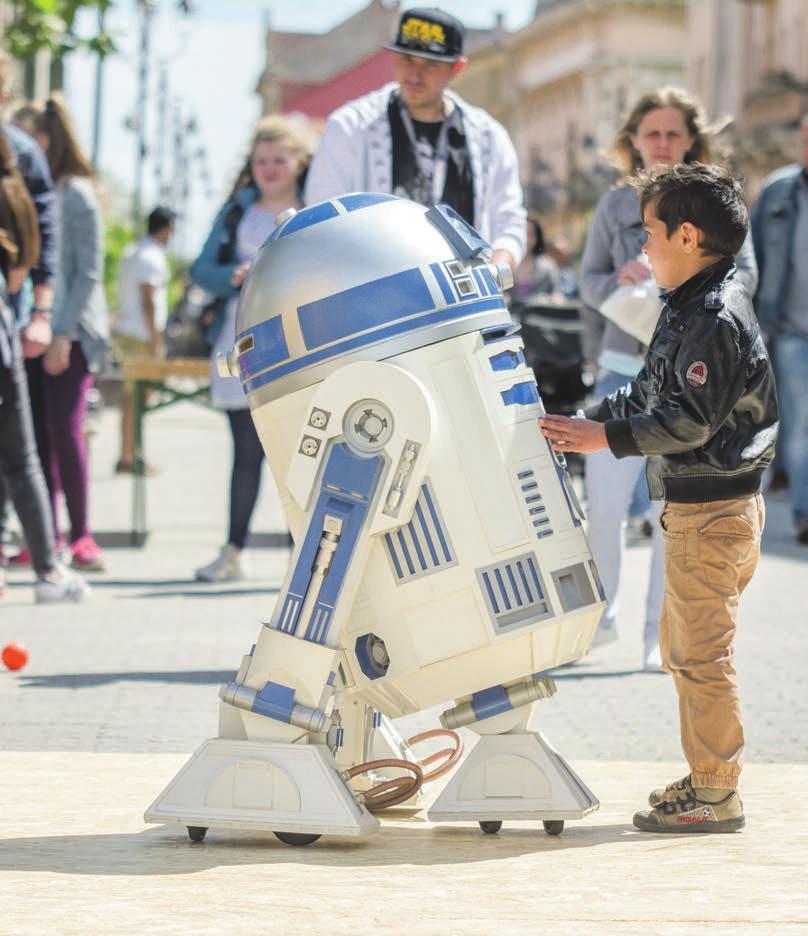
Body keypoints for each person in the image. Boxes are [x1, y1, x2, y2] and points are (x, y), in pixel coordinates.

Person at [540, 163, 777, 833]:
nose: (642, 247)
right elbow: (651, 394)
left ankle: (717, 791)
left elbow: (690, 420)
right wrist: (582, 421)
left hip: (714, 511)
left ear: (689, 235)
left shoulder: (713, 315)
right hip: (697, 509)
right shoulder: (688, 303)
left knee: (701, 656)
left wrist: (603, 437)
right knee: (685, 650)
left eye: (650, 232)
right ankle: (708, 773)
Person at [579, 87, 758, 671]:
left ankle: (661, 636)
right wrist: (622, 282)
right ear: (632, 139)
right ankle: (599, 619)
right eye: (651, 133)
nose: (661, 143)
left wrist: (682, 284)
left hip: (689, 378)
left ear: (692, 139)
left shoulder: (716, 202)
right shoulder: (612, 207)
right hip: (619, 366)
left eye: (672, 134)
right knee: (602, 506)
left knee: (671, 516)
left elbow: (744, 275)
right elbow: (589, 281)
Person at [304, 6, 526, 270]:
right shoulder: (351, 126)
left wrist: (499, 266)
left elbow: (509, 220)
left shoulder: (489, 137)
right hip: (377, 294)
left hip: (466, 298)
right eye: (407, 59)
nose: (414, 75)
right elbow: (321, 216)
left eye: (431, 65)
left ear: (456, 68)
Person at [189, 116, 313, 582]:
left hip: (301, 346)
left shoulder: (316, 208)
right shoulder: (237, 210)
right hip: (239, 342)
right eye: (262, 160)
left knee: (300, 455)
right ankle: (232, 552)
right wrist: (233, 277)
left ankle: (300, 558)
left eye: (279, 159)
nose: (269, 168)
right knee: (245, 453)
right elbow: (201, 270)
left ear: (300, 163)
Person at [0, 126, 88, 603]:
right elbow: (24, 262)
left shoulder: (21, 158)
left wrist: (39, 314)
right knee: (21, 453)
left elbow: (36, 254)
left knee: (20, 453)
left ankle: (47, 569)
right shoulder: (18, 169)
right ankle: (48, 572)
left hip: (10, 331)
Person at [26, 97, 109, 571]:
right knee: (37, 435)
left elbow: (88, 273)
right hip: (32, 330)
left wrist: (61, 334)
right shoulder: (36, 192)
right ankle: (45, 534)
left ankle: (81, 535)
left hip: (72, 333)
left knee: (65, 429)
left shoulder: (75, 194)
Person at [751, 113, 808, 544]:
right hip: (791, 330)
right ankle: (805, 512)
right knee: (802, 423)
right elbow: (750, 263)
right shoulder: (777, 192)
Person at [114, 205, 174, 474]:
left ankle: (127, 454)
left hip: (126, 331)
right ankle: (131, 457)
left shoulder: (132, 252)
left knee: (130, 399)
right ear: (166, 230)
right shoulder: (152, 256)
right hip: (141, 335)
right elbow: (148, 302)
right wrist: (156, 340)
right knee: (138, 400)